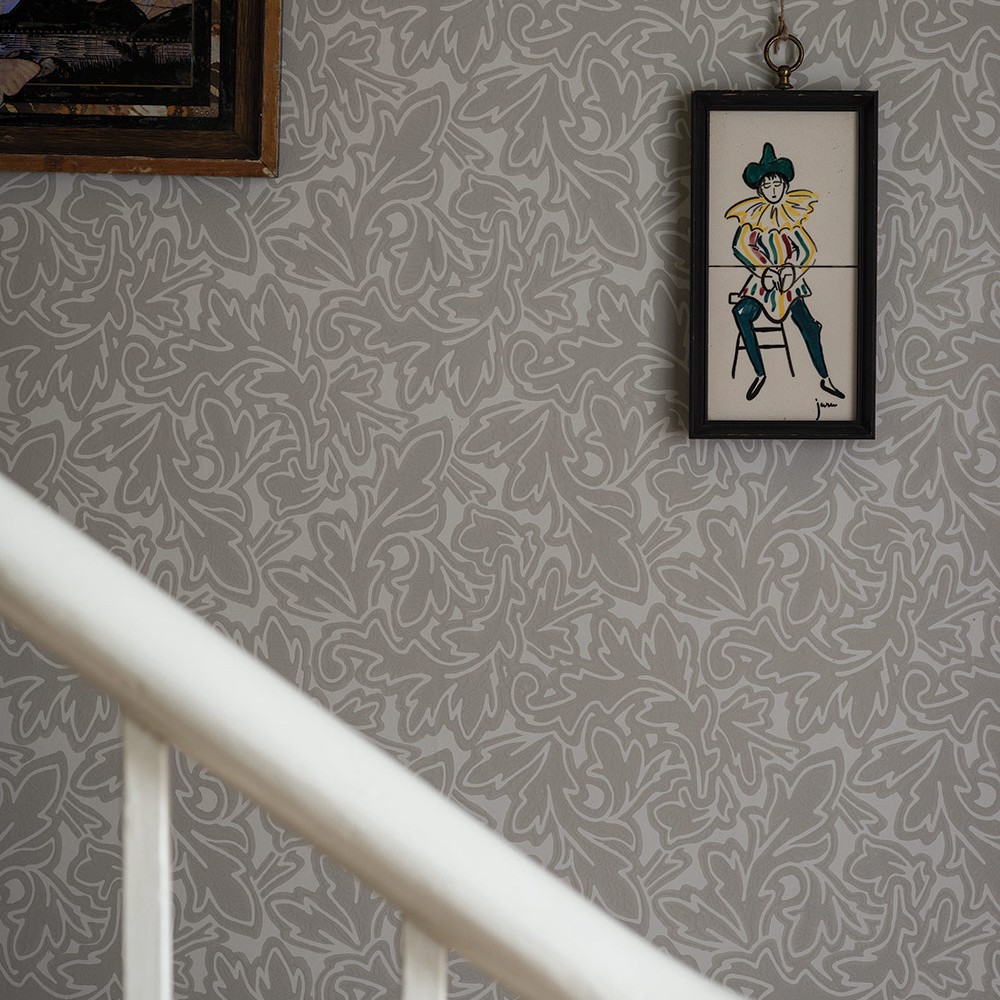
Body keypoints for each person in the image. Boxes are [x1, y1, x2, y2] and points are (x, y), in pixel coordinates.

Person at [727, 142, 844, 402]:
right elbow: (741, 246)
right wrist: (764, 270)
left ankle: (825, 378)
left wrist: (792, 268)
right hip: (762, 282)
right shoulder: (753, 216)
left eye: (776, 184)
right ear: (760, 189)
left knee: (809, 326)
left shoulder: (791, 214)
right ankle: (759, 373)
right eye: (767, 185)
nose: (772, 189)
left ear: (785, 186)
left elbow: (807, 249)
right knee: (741, 313)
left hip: (790, 283)